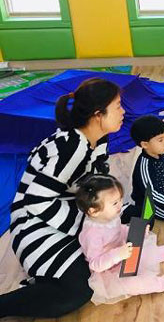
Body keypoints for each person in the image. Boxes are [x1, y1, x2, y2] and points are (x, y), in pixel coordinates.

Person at [0, 78, 124, 318]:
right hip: (33, 224)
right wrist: (88, 225)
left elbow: (94, 186)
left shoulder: (96, 139)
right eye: (118, 106)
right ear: (98, 115)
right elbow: (37, 202)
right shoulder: (72, 147)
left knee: (129, 218)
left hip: (66, 209)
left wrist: (108, 212)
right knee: (78, 290)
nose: (123, 112)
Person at [77, 174, 164, 305]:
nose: (120, 205)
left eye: (120, 199)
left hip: (124, 253)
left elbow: (118, 230)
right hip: (109, 271)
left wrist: (135, 232)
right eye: (115, 203)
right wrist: (118, 254)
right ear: (94, 211)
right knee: (134, 284)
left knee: (150, 253)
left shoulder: (110, 216)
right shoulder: (92, 234)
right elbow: (95, 264)